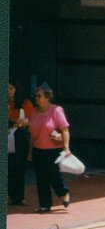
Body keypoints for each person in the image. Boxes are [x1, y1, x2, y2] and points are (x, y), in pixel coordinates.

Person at [27, 83, 71, 213]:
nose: (36, 98)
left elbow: (65, 130)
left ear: (47, 97)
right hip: (38, 149)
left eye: (39, 96)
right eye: (35, 96)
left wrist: (66, 147)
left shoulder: (56, 110)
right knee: (41, 177)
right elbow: (32, 134)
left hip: (53, 150)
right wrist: (30, 152)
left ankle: (63, 192)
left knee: (54, 175)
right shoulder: (34, 111)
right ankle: (45, 204)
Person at [8, 80, 34, 206]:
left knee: (19, 167)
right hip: (7, 135)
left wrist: (21, 123)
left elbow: (31, 120)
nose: (8, 91)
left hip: (20, 136)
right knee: (8, 166)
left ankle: (18, 197)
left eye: (11, 88)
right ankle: (11, 194)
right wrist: (14, 121)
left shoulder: (25, 103)